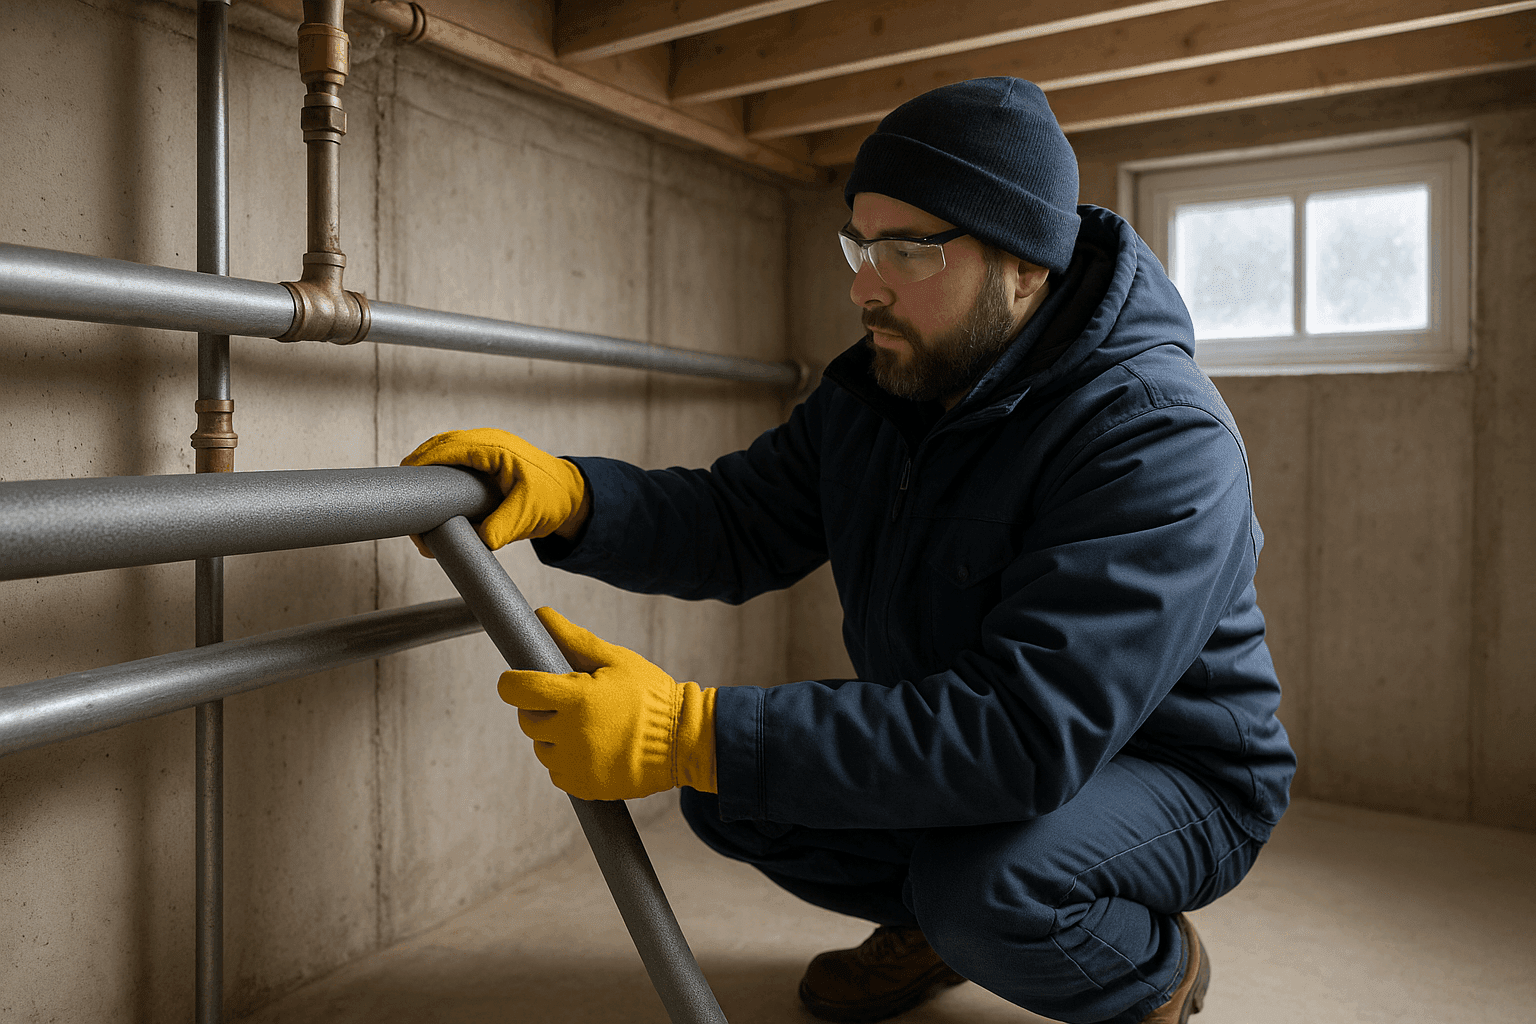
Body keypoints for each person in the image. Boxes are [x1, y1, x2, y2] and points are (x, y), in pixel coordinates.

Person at [402, 77, 1295, 1024]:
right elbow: (740, 521)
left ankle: (1150, 971)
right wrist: (575, 500)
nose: (867, 284)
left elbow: (1027, 734)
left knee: (981, 887)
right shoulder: (893, 385)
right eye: (860, 244)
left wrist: (689, 731)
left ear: (1026, 265)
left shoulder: (1157, 437)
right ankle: (934, 921)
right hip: (987, 738)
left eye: (909, 250)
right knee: (737, 793)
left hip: (1171, 772)